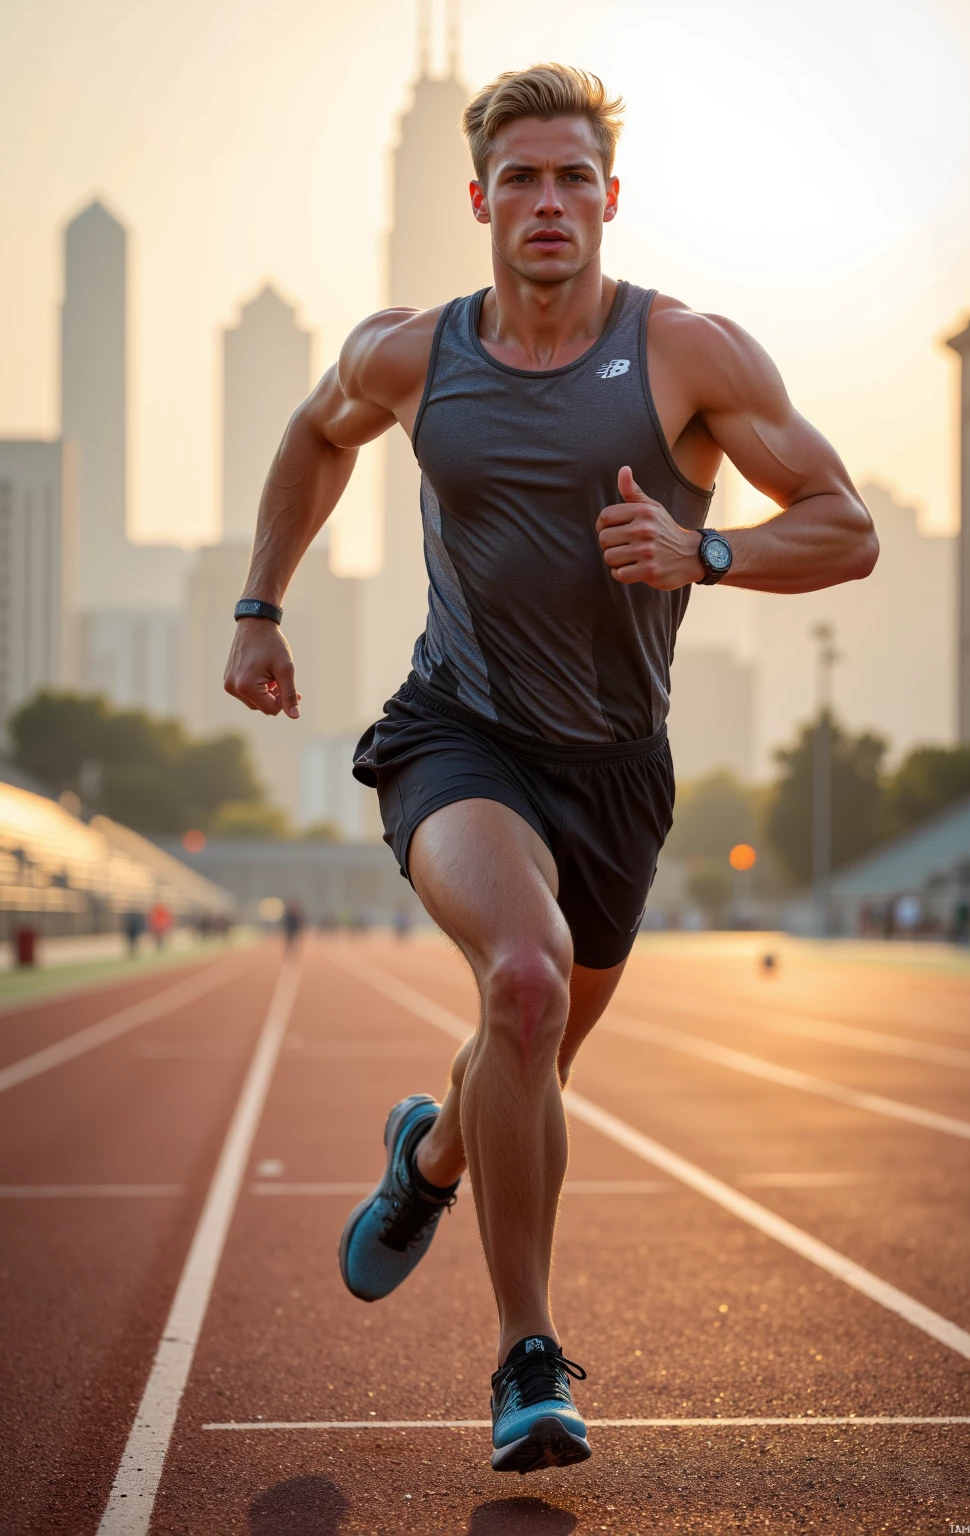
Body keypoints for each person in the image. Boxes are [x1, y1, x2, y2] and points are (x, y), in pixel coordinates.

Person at [223, 64, 878, 1475]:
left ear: (609, 201)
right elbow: (313, 437)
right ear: (477, 201)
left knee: (526, 1058)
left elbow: (845, 526)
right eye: (519, 177)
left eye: (572, 176)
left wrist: (708, 550)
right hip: (457, 734)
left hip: (618, 772)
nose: (547, 202)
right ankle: (529, 1359)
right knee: (519, 982)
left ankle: (431, 1157)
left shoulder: (689, 353)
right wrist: (259, 609)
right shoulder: (411, 353)